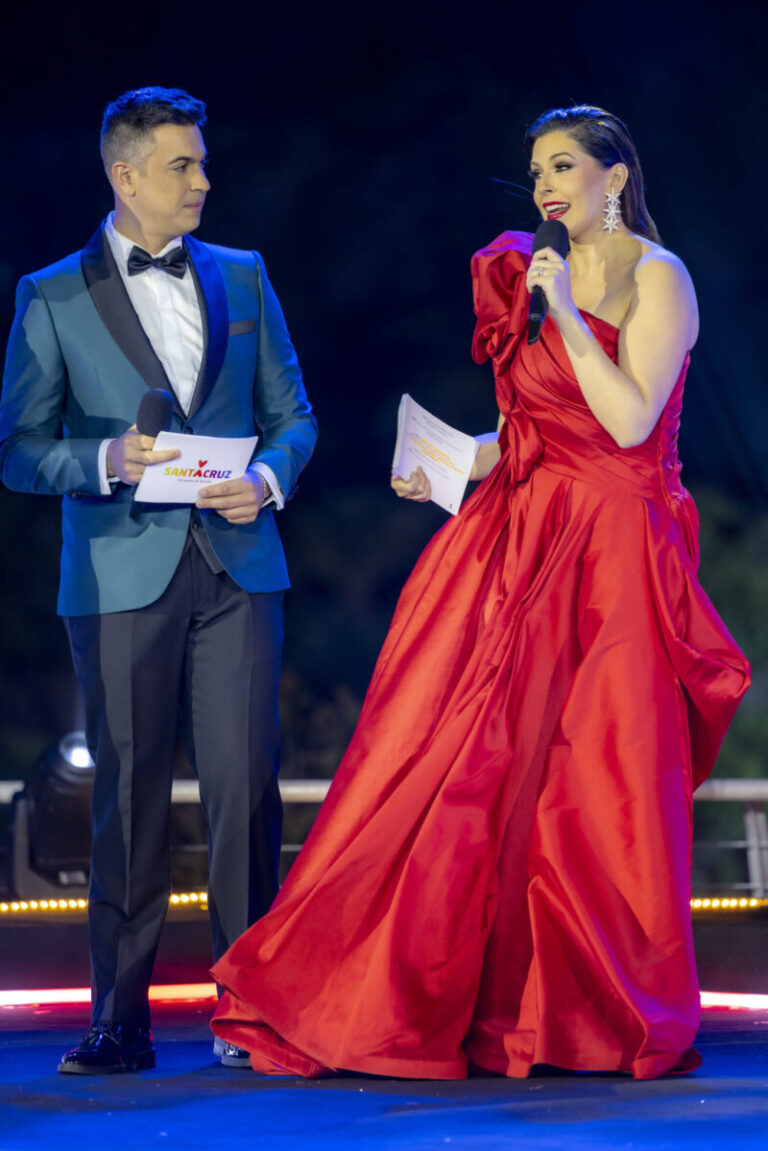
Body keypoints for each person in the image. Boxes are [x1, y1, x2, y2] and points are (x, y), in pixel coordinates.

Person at [210, 105, 749, 1080]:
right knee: (471, 761)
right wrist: (455, 466)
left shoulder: (658, 279)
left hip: (617, 552)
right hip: (523, 536)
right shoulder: (534, 279)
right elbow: (542, 430)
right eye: (536, 169)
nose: (544, 185)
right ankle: (434, 992)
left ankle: (595, 1009)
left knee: (599, 780)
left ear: (614, 177)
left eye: (563, 166)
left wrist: (571, 319)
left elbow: (627, 426)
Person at [0, 87, 317, 1074]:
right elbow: (17, 447)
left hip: (237, 563)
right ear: (124, 175)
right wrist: (107, 462)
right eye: (183, 164)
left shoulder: (248, 276)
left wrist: (265, 478)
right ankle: (119, 1021)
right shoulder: (51, 295)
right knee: (129, 796)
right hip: (118, 566)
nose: (203, 181)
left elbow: (294, 416)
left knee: (242, 792)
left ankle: (252, 1010)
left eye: (203, 161)